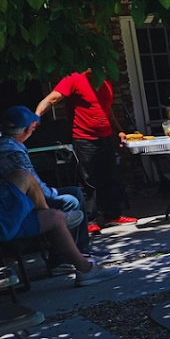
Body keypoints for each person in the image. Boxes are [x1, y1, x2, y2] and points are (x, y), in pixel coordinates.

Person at [0, 106, 90, 268]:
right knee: (70, 200)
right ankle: (62, 259)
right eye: (32, 126)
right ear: (26, 130)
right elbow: (37, 187)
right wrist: (53, 197)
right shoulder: (12, 151)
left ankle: (81, 250)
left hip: (9, 199)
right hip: (9, 206)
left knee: (74, 192)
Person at [36, 69, 134, 229]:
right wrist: (36, 116)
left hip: (106, 137)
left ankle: (112, 216)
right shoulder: (73, 78)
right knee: (87, 181)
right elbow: (52, 99)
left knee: (109, 178)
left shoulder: (103, 78)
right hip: (83, 139)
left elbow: (107, 109)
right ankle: (90, 221)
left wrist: (119, 130)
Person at [0, 168, 119, 286]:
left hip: (0, 218)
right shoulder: (8, 148)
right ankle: (58, 216)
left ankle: (86, 269)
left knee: (54, 216)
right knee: (24, 176)